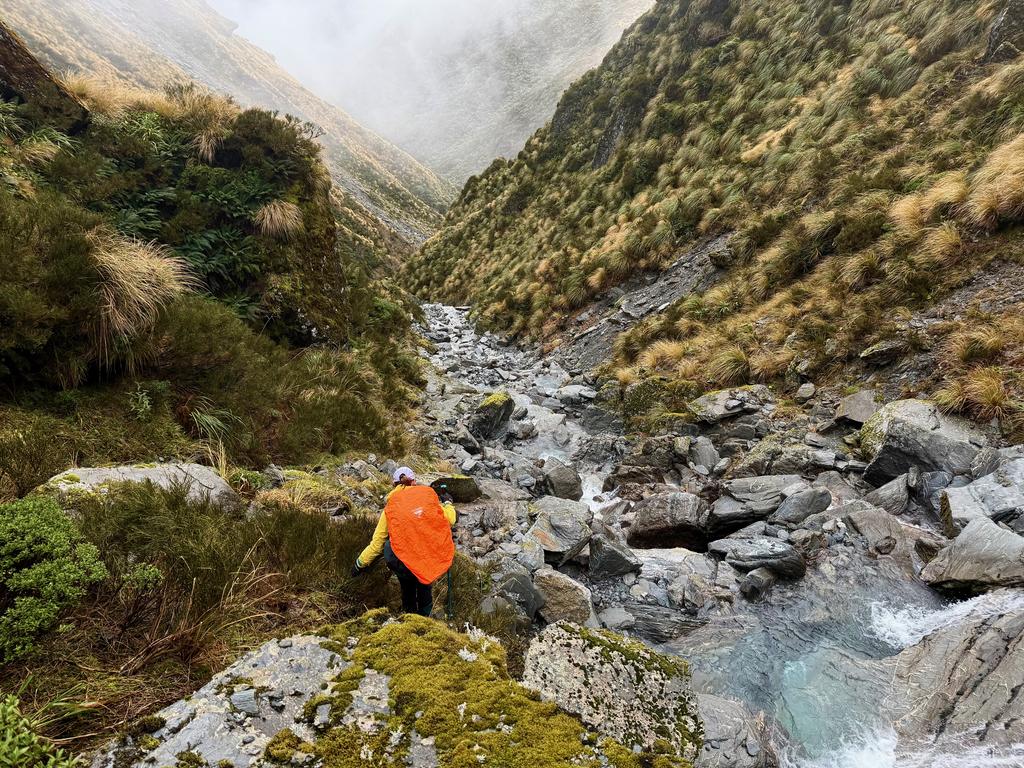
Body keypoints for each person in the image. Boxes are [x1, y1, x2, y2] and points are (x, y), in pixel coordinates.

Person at [351, 466, 456, 617]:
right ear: (414, 481)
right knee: (424, 586)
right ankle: (424, 621)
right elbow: (450, 519)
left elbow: (377, 544)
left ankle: (409, 617)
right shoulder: (426, 498)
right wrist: (448, 503)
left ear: (394, 485)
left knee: (407, 588)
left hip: (401, 561)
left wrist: (358, 565)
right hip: (425, 556)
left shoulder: (391, 506)